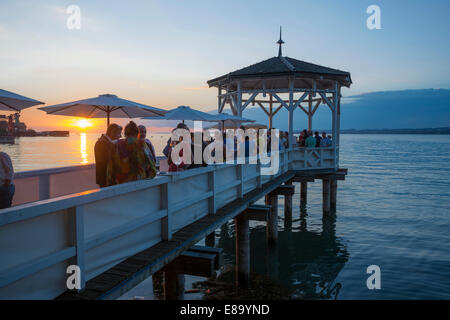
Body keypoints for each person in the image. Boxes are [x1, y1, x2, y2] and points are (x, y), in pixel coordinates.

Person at [94, 123, 122, 188]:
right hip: (105, 178)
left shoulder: (106, 142)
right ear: (112, 132)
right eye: (119, 133)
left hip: (108, 177)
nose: (120, 136)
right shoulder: (102, 143)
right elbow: (106, 161)